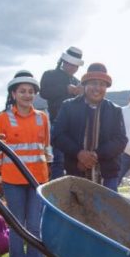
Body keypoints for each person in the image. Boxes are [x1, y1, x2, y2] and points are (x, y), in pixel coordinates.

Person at [0, 71, 50, 257]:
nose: (27, 95)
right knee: (17, 228)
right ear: (13, 94)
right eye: (22, 91)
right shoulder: (3, 118)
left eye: (31, 91)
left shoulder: (42, 118)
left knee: (35, 228)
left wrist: (47, 175)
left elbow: (46, 148)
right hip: (13, 181)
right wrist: (0, 174)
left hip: (37, 181)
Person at [53, 63, 127, 190]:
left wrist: (95, 156)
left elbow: (120, 140)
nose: (97, 88)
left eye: (102, 84)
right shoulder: (69, 106)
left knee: (106, 209)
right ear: (85, 85)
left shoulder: (115, 110)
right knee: (74, 209)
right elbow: (57, 135)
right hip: (75, 172)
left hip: (107, 176)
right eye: (93, 83)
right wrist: (79, 153)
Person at [39, 46, 84, 179]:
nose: (73, 68)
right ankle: (56, 194)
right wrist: (66, 89)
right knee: (58, 160)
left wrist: (81, 94)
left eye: (75, 66)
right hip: (57, 122)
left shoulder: (76, 81)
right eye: (71, 64)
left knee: (74, 160)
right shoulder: (50, 75)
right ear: (64, 62)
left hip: (75, 125)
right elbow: (44, 92)